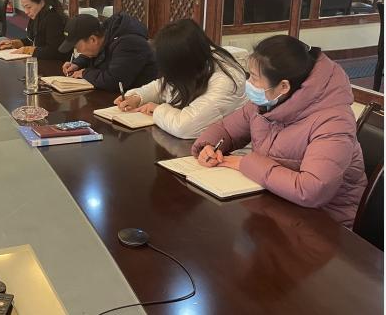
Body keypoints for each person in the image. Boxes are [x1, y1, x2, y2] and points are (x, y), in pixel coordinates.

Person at [192, 35, 367, 227]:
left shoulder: (334, 121)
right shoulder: (267, 102)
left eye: (254, 78)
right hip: (277, 207)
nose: (249, 83)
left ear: (284, 86)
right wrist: (209, 146)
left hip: (326, 225)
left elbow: (311, 190)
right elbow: (227, 129)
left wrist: (246, 163)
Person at [114, 19, 248, 139]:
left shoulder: (225, 81)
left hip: (227, 152)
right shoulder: (195, 61)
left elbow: (184, 127)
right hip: (197, 146)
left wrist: (157, 109)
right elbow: (163, 86)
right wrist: (138, 97)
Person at [58, 13, 156, 93]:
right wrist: (77, 63)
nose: (78, 51)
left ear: (93, 39)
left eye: (77, 47)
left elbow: (115, 81)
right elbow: (100, 53)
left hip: (141, 103)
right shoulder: (105, 35)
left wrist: (85, 73)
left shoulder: (129, 43)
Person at [0, 0, 68, 60]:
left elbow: (53, 51)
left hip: (55, 63)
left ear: (41, 3)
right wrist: (13, 44)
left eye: (29, 7)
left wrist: (27, 50)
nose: (26, 12)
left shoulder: (54, 18)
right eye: (24, 7)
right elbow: (33, 40)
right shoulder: (37, 15)